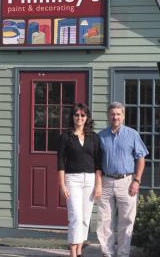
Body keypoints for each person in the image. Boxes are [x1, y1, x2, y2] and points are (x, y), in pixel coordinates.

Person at [96, 102, 149, 257]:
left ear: (123, 116)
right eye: (112, 114)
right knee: (105, 222)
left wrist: (136, 180)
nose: (115, 117)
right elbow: (97, 161)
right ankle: (107, 253)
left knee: (126, 220)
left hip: (127, 182)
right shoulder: (101, 136)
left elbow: (141, 158)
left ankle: (123, 254)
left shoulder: (132, 134)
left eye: (118, 114)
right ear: (108, 116)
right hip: (106, 181)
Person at [57, 103, 102, 257]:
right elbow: (60, 161)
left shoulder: (94, 137)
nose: (80, 118)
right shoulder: (65, 136)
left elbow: (98, 163)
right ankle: (73, 252)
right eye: (77, 115)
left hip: (90, 180)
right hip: (72, 179)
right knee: (75, 216)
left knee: (85, 217)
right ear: (73, 117)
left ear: (87, 117)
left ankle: (79, 250)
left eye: (83, 115)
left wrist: (98, 184)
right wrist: (62, 184)